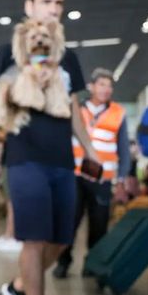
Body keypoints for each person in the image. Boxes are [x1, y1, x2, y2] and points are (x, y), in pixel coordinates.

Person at [0, 0, 98, 295]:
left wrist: (91, 149)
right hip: (24, 158)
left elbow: (76, 108)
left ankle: (20, 286)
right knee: (34, 238)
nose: (53, 9)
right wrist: (22, 86)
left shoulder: (69, 57)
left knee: (63, 238)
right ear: (30, 6)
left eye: (58, 4)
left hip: (62, 159)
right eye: (46, 2)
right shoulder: (9, 52)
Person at [53, 68, 131, 279]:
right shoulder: (77, 109)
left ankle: (92, 264)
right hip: (75, 176)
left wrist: (121, 179)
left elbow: (123, 149)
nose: (106, 89)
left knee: (99, 225)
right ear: (92, 86)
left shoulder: (118, 113)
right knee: (70, 221)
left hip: (103, 179)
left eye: (109, 85)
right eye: (102, 84)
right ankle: (63, 262)